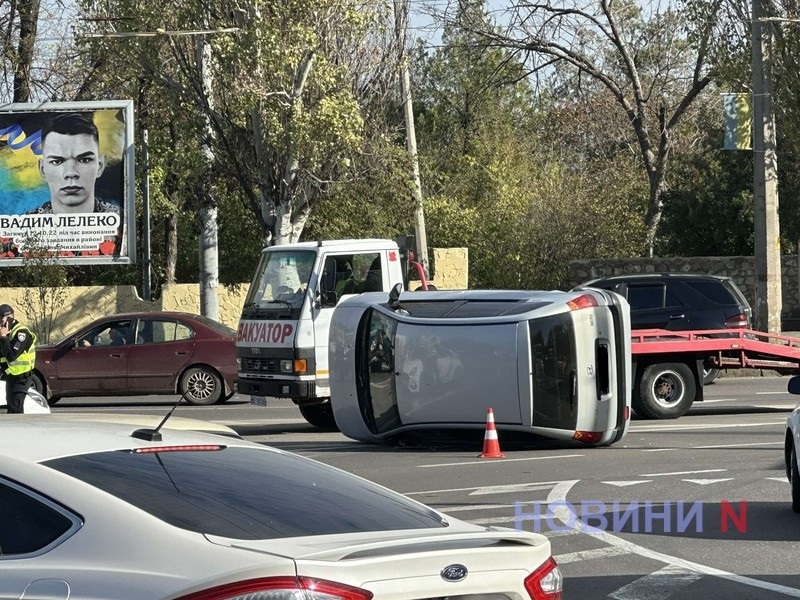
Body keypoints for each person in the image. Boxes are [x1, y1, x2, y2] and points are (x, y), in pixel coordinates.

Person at [31, 112, 119, 215]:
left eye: (84, 160)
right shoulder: (23, 227)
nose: (71, 173)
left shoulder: (123, 222)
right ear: (42, 170)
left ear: (100, 166)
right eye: (57, 162)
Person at [0, 304, 36, 414]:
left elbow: (11, 355)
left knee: (16, 409)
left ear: (9, 318)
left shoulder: (22, 333)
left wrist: (4, 338)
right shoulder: (7, 332)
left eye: (1, 320)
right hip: (12, 377)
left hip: (21, 379)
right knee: (11, 408)